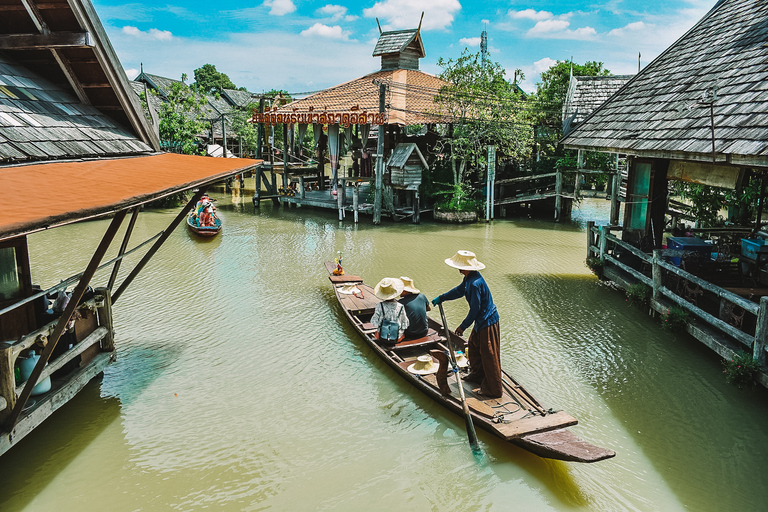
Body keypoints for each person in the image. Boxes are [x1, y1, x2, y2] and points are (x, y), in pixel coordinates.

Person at [431, 250, 502, 398]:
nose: (458, 269)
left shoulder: (475, 283)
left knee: (489, 355)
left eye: (460, 266)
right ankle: (477, 375)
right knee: (474, 348)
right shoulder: (469, 279)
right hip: (480, 321)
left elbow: (475, 309)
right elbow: (459, 291)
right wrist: (442, 297)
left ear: (465, 268)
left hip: (487, 322)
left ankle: (493, 389)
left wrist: (463, 326)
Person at [371, 277, 409, 344]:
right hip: (397, 338)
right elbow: (405, 324)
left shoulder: (380, 305)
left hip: (382, 337)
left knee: (377, 332)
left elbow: (374, 322)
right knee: (401, 332)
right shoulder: (401, 306)